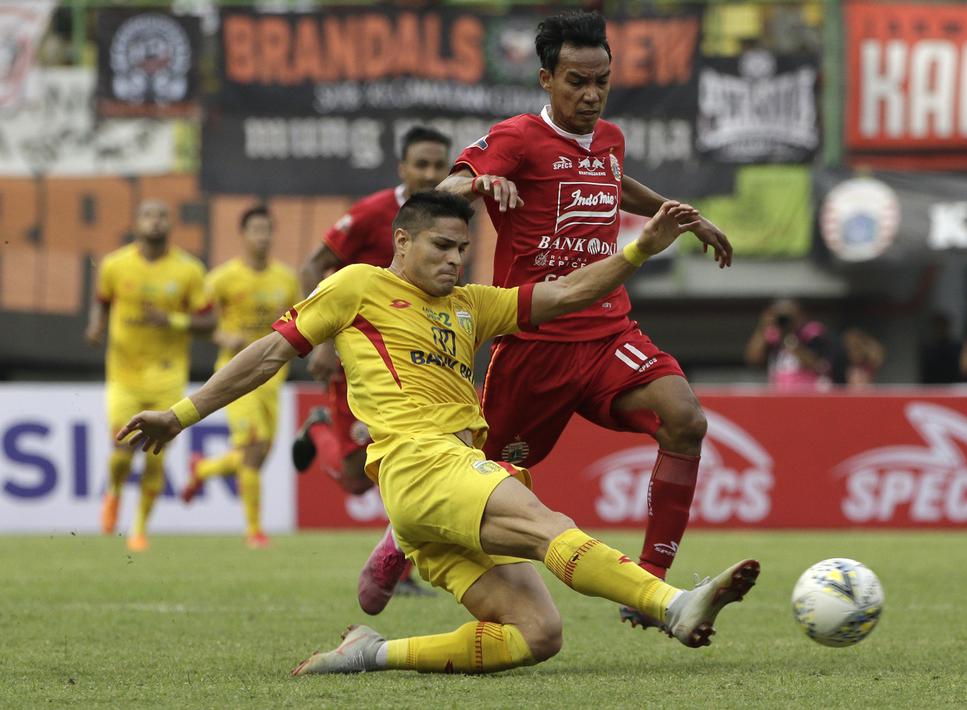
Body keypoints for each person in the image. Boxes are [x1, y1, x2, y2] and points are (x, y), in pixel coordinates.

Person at [117, 191, 759, 676]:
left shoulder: (472, 304)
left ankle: (370, 654)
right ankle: (673, 606)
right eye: (440, 246)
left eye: (461, 248)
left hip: (435, 493)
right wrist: (178, 415)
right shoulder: (357, 286)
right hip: (417, 461)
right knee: (545, 523)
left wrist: (639, 247)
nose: (454, 259)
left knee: (537, 635)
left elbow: (566, 294)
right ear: (401, 243)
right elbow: (267, 354)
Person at [435, 10, 734, 631]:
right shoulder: (516, 137)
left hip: (607, 334)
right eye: (576, 81)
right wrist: (484, 179)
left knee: (686, 419)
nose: (591, 94)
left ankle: (651, 585)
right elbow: (446, 186)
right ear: (546, 79)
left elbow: (613, 182)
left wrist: (685, 216)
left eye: (601, 80)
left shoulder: (609, 141)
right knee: (481, 485)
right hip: (533, 345)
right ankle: (396, 549)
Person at [294, 125, 452, 608]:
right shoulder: (372, 213)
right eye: (420, 164)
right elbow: (311, 265)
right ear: (401, 168)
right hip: (361, 359)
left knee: (409, 461)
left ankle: (398, 567)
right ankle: (320, 427)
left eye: (438, 165)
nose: (429, 173)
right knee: (356, 478)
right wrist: (320, 338)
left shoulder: (450, 217)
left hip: (420, 357)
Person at [84, 199, 214, 552]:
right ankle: (113, 492)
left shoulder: (188, 270)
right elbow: (103, 300)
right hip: (123, 374)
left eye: (161, 216)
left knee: (156, 454)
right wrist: (97, 325)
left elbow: (209, 321)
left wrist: (171, 320)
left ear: (170, 224)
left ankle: (139, 528)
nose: (155, 222)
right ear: (136, 222)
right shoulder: (114, 264)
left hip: (167, 376)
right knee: (121, 449)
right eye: (148, 215)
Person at [179, 206, 299, 549]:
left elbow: (299, 321)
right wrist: (220, 336)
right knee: (250, 450)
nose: (261, 236)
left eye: (266, 230)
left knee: (260, 455)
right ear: (243, 235)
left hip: (273, 376)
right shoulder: (222, 278)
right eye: (255, 230)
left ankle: (202, 470)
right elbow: (197, 319)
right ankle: (254, 531)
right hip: (236, 375)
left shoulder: (286, 279)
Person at [744, 298, 831, 390]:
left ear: (800, 315)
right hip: (780, 392)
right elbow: (753, 358)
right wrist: (763, 327)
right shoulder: (774, 334)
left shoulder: (811, 332)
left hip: (809, 392)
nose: (784, 320)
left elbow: (817, 365)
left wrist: (790, 338)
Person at [918, 312, 962, 385]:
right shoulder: (928, 349)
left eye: (942, 326)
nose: (940, 329)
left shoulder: (956, 348)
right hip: (932, 390)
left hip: (952, 388)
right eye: (937, 327)